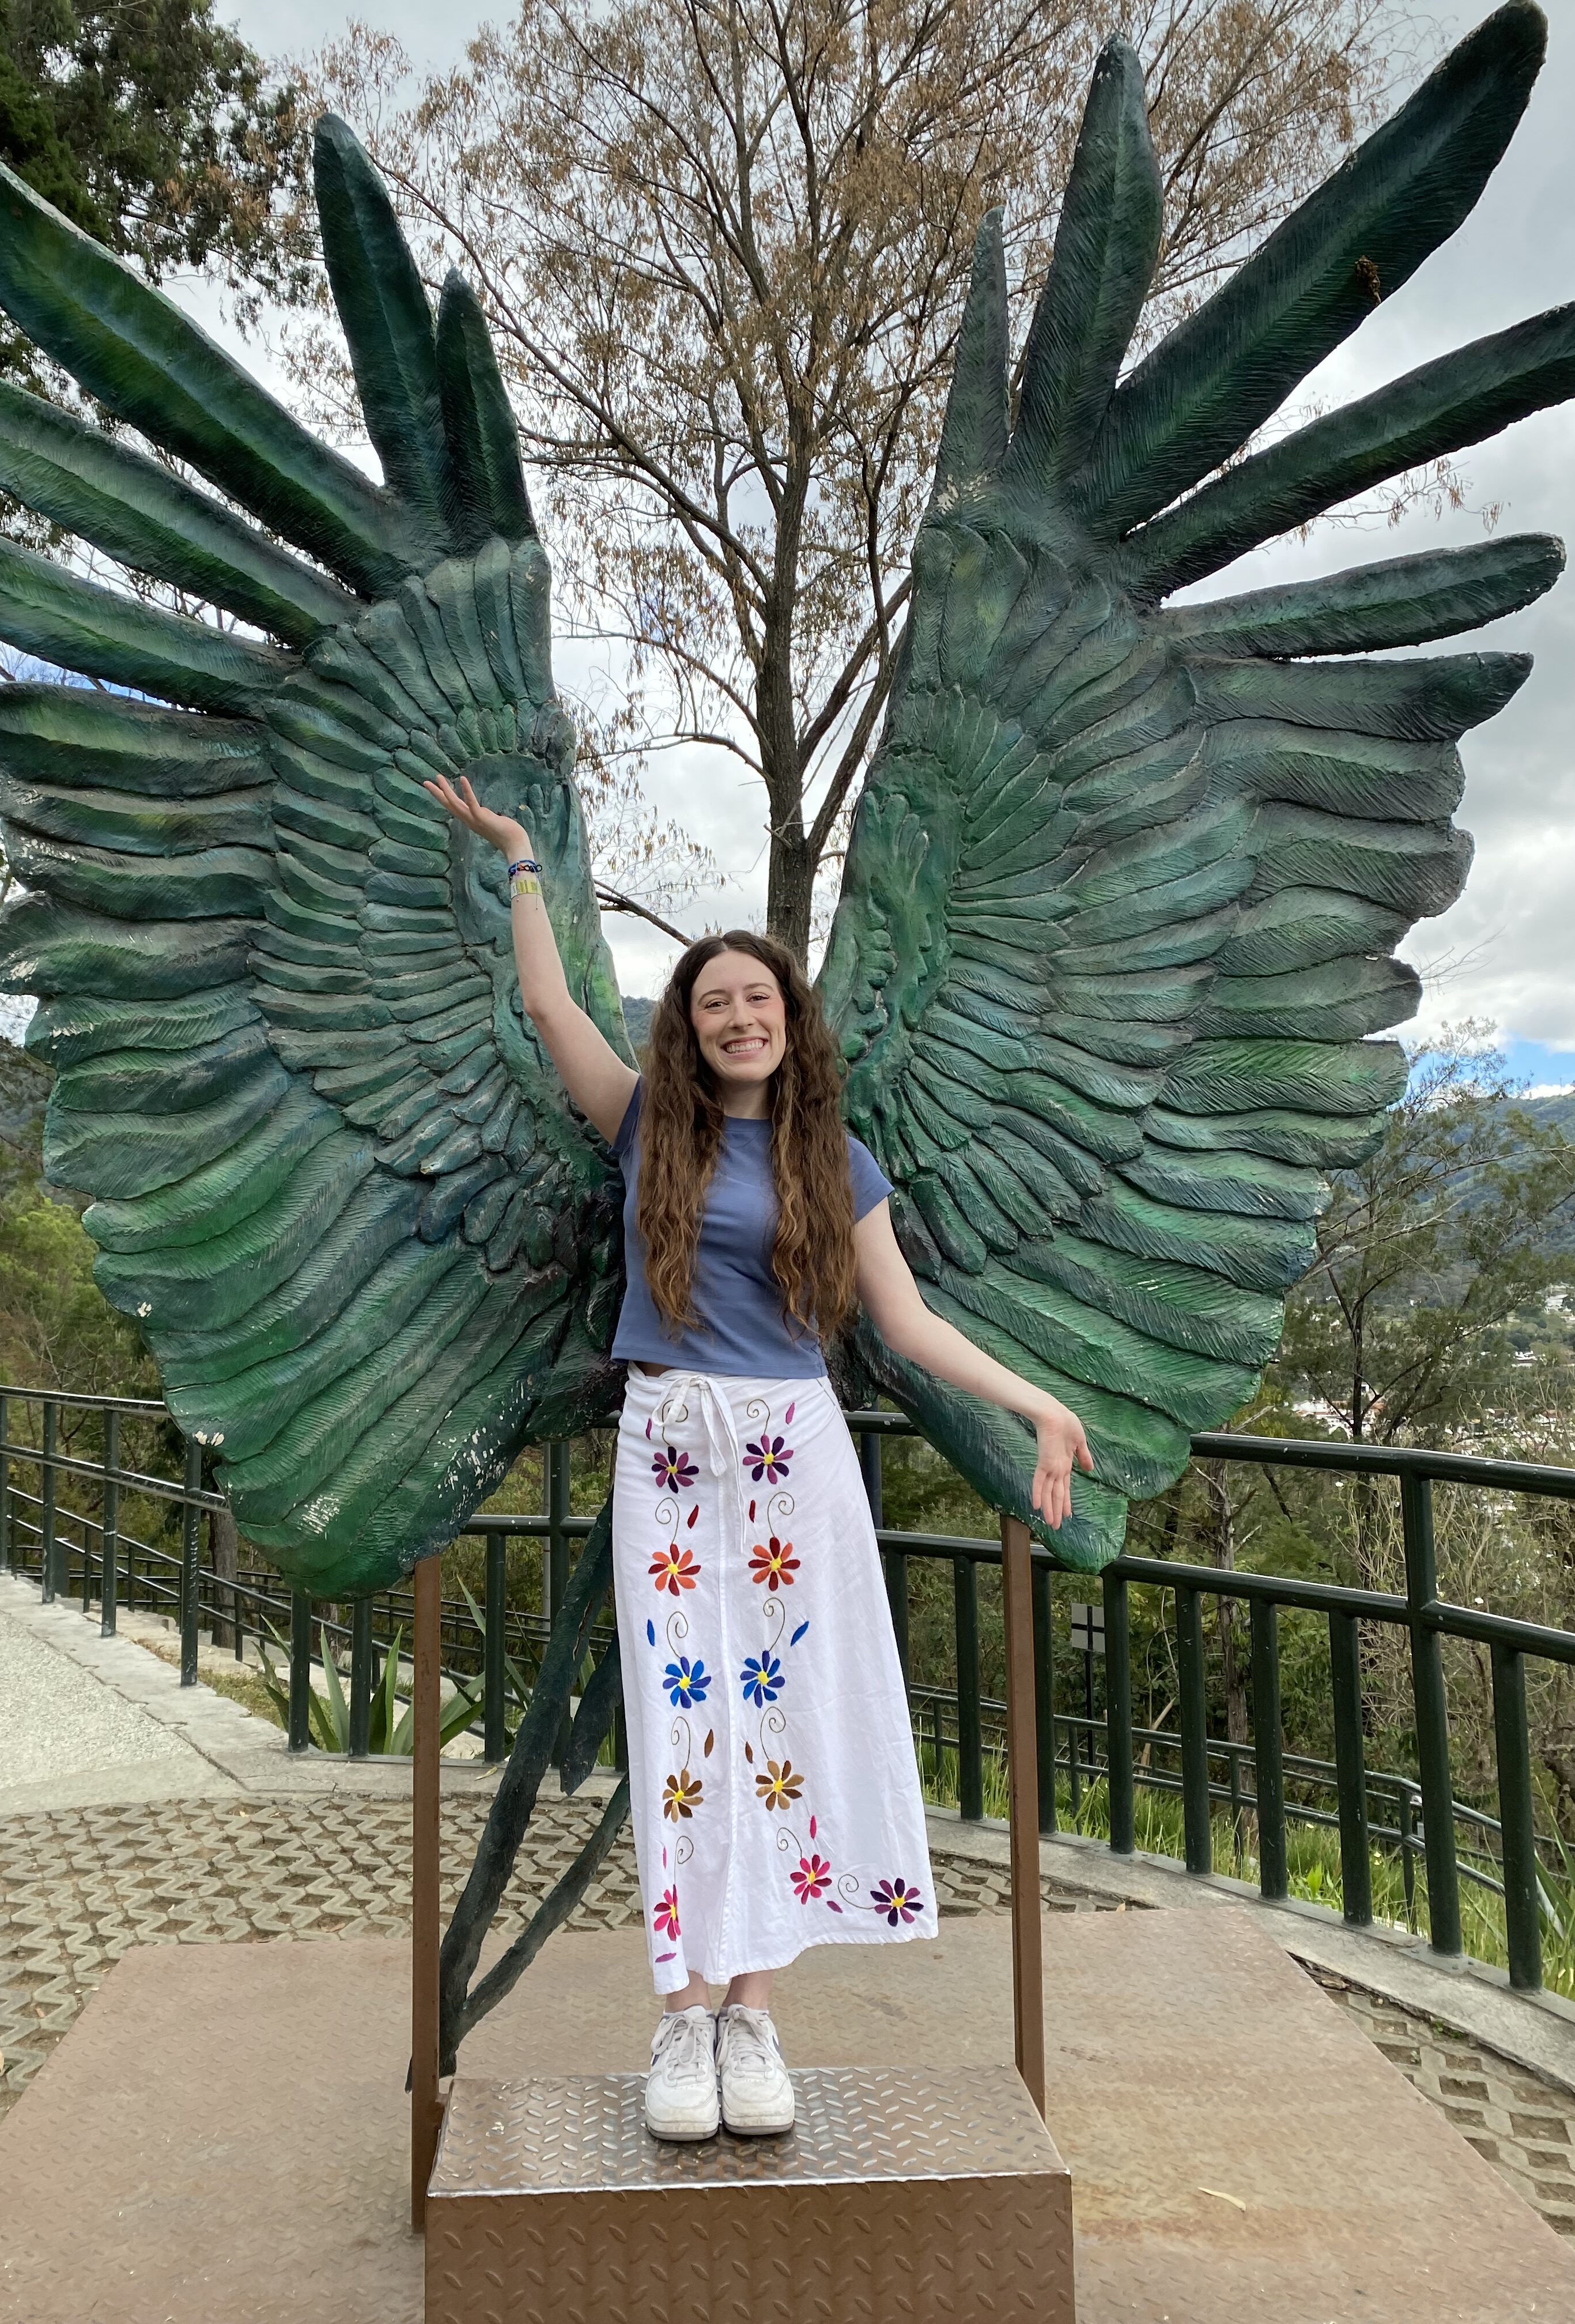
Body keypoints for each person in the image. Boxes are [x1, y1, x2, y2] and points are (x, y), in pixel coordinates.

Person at [425, 773, 1094, 2143]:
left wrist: (1038, 1405)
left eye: (761, 1002)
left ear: (792, 1026)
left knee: (784, 1731)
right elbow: (551, 1010)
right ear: (689, 1026)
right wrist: (522, 866)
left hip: (793, 1454)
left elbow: (902, 1324)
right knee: (683, 1735)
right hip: (671, 1446)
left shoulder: (836, 1161)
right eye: (714, 1002)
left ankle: (754, 2015)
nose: (739, 1018)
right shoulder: (640, 1125)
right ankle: (679, 2017)